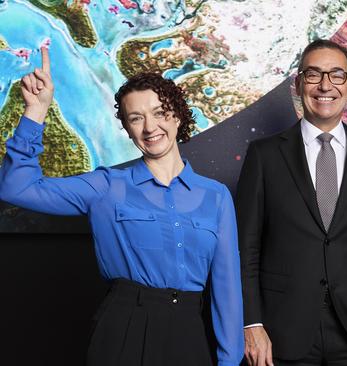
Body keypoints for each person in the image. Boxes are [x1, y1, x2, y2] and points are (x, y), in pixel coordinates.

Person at [0, 47, 244, 366]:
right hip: (123, 329)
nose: (149, 127)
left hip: (189, 332)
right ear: (127, 129)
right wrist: (36, 110)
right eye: (136, 118)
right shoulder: (106, 186)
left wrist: (230, 360)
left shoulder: (216, 196)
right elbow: (17, 187)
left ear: (178, 114)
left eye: (159, 112)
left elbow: (227, 291)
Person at [235, 39, 347, 366]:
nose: (325, 85)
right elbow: (246, 248)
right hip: (281, 332)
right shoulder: (265, 156)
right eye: (313, 74)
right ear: (298, 84)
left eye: (336, 75)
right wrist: (252, 322)